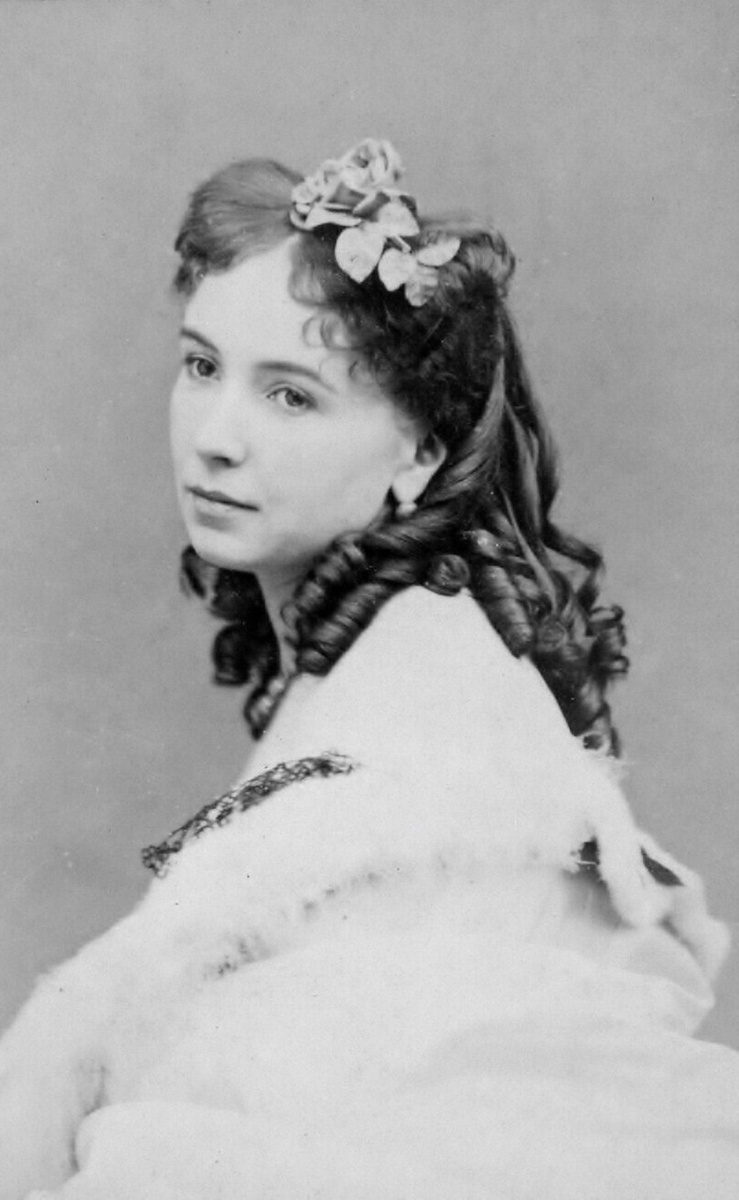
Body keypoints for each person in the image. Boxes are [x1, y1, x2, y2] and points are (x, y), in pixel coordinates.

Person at [0, 138, 737, 1199]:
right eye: (202, 367)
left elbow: (381, 1134)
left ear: (419, 453)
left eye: (290, 396)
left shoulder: (429, 708)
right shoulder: (385, 656)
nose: (215, 438)